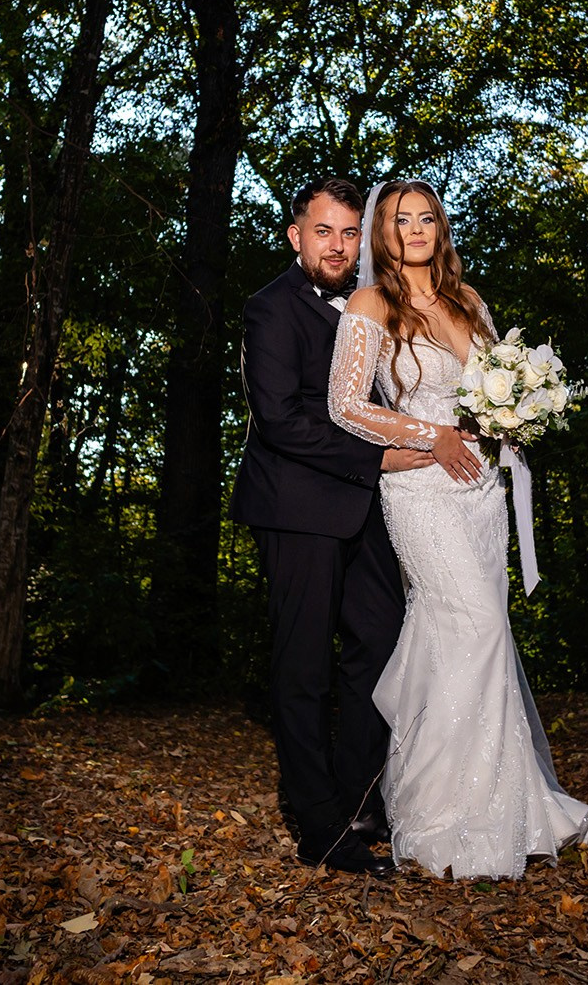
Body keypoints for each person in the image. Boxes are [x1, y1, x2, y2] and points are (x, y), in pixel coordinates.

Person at [328, 179, 588, 880]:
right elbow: (344, 404)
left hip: (481, 490)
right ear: (383, 233)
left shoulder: (469, 299)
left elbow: (492, 385)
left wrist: (513, 416)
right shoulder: (369, 303)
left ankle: (505, 803)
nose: (415, 229)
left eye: (426, 218)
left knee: (481, 631)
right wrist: (432, 434)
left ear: (439, 228)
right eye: (400, 220)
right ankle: (438, 812)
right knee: (471, 622)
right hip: (421, 485)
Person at [233, 176, 434, 877]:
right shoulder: (269, 308)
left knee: (382, 639)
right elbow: (281, 419)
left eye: (349, 233)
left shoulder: (372, 303)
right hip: (295, 508)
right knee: (304, 667)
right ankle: (319, 826)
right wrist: (378, 456)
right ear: (297, 236)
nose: (338, 246)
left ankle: (357, 799)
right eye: (324, 231)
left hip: (361, 504)